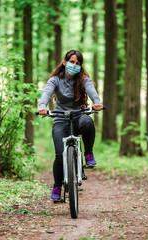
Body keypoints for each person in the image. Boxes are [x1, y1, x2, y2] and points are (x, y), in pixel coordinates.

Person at [38, 50, 103, 201]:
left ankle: (89, 154)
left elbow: (92, 91)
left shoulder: (83, 80)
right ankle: (57, 186)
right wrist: (42, 106)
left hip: (78, 116)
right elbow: (47, 92)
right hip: (60, 119)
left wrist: (97, 102)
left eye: (78, 64)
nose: (74, 66)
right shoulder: (55, 80)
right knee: (60, 155)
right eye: (72, 62)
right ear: (65, 62)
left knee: (88, 121)